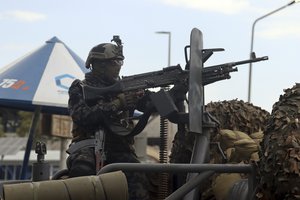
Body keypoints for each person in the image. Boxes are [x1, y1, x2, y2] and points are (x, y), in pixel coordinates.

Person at [66, 36, 150, 200]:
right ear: (98, 65)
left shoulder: (125, 87)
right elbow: (82, 116)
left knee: (138, 175)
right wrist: (117, 104)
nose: (118, 67)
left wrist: (172, 94)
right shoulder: (81, 88)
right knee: (82, 169)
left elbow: (150, 104)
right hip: (87, 146)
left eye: (120, 62)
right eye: (114, 63)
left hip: (119, 149)